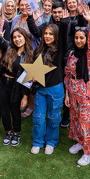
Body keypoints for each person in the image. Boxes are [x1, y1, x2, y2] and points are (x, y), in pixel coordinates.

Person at [0, 15, 33, 147]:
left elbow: (28, 79)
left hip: (17, 87)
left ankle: (17, 133)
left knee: (15, 111)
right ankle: (8, 132)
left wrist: (25, 97)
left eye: (19, 36)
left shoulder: (30, 55)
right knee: (4, 110)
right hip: (2, 85)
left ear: (25, 38)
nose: (17, 39)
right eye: (15, 37)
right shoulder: (8, 47)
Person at [64, 8, 90, 166]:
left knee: (86, 121)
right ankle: (80, 143)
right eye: (77, 38)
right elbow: (67, 74)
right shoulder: (72, 54)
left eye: (81, 38)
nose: (79, 40)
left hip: (86, 91)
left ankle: (89, 152)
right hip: (73, 91)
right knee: (76, 120)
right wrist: (66, 95)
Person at [31, 15, 68, 155]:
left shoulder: (59, 50)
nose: (47, 36)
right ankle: (38, 142)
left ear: (55, 36)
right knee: (38, 117)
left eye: (50, 34)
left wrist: (63, 22)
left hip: (55, 89)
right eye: (45, 33)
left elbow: (64, 40)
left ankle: (51, 142)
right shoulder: (39, 50)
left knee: (54, 117)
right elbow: (35, 69)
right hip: (40, 89)